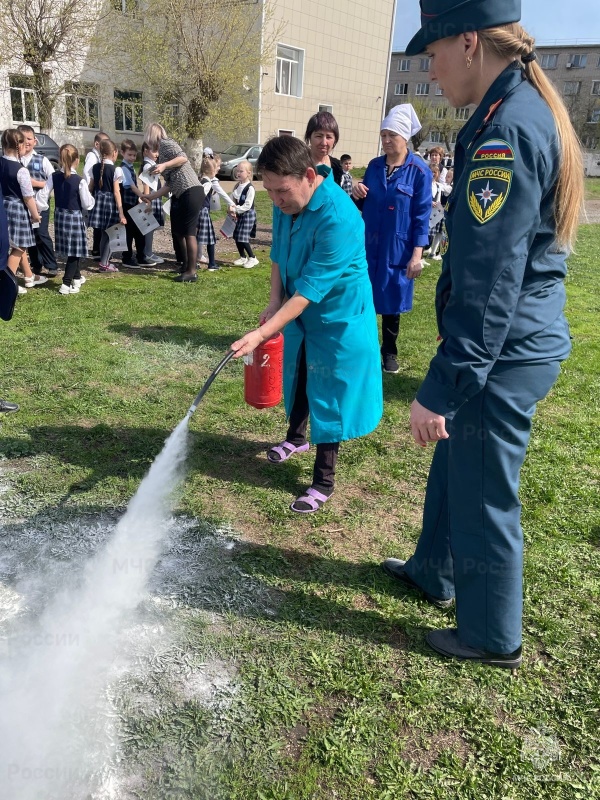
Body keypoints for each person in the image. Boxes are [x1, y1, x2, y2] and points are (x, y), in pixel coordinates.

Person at [381, 0, 584, 671]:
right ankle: (433, 572)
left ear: (469, 43)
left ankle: (494, 636)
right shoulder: (507, 110)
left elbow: (490, 284)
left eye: (432, 55)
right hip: (512, 340)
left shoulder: (508, 130)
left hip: (504, 350)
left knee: (486, 491)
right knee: (455, 466)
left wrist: (442, 387)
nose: (430, 72)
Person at [231, 135, 383, 513]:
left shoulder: (340, 217)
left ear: (309, 176)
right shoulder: (285, 205)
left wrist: (261, 333)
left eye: (282, 191)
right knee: (298, 370)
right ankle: (296, 437)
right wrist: (272, 302)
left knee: (328, 391)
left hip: (337, 318)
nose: (277, 200)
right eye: (269, 192)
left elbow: (309, 292)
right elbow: (280, 259)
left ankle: (323, 480)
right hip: (300, 312)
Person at [352, 104, 431, 375]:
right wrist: (356, 190)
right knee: (363, 295)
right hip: (368, 244)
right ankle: (364, 348)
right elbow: (362, 203)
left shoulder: (419, 171)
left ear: (404, 137)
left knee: (391, 301)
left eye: (391, 136)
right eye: (383, 135)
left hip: (397, 247)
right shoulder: (374, 167)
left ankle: (389, 351)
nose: (386, 141)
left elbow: (422, 216)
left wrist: (417, 255)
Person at [141, 123, 204, 283]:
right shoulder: (161, 154)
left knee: (189, 232)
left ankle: (191, 271)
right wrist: (151, 196)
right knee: (179, 232)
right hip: (181, 193)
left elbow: (183, 158)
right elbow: (169, 184)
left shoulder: (166, 143)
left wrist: (164, 165)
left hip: (191, 190)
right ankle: (185, 265)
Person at [37, 144, 95, 295]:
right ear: (76, 160)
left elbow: (42, 196)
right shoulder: (79, 181)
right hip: (74, 217)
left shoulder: (53, 176)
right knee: (74, 252)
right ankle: (66, 283)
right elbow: (87, 204)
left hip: (60, 216)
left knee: (70, 249)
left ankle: (77, 277)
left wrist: (40, 209)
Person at [0, 129, 44, 295]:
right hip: (17, 208)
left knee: (8, 245)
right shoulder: (21, 170)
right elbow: (28, 197)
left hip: (2, 205)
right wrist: (35, 214)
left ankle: (28, 276)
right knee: (19, 246)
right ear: (17, 145)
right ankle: (8, 285)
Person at [17, 125, 58, 278]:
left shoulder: (42, 160)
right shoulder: (16, 160)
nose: (26, 142)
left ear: (34, 141)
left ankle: (51, 265)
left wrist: (36, 183)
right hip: (22, 205)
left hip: (40, 204)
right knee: (29, 236)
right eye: (23, 139)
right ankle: (36, 264)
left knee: (41, 234)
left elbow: (53, 180)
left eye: (29, 138)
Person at [88, 139, 127, 272]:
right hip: (110, 204)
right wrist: (121, 212)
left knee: (104, 233)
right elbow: (116, 192)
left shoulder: (95, 167)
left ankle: (104, 260)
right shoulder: (116, 169)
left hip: (98, 202)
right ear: (114, 153)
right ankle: (104, 264)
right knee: (112, 233)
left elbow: (90, 187)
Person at [119, 139, 156, 268]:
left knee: (139, 231)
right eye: (129, 155)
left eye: (134, 155)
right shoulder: (122, 168)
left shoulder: (130, 168)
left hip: (133, 203)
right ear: (122, 153)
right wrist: (143, 196)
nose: (132, 158)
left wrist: (140, 198)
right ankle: (127, 257)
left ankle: (141, 256)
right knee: (129, 232)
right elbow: (131, 186)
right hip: (126, 204)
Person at [197, 155, 232, 272]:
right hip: (203, 212)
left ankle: (195, 262)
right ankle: (211, 263)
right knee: (210, 238)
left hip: (198, 212)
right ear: (212, 170)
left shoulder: (200, 179)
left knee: (196, 238)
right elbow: (200, 196)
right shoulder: (207, 183)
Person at [83, 131, 109, 258]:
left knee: (99, 223)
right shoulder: (92, 156)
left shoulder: (98, 157)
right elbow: (88, 174)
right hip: (92, 192)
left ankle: (97, 248)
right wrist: (89, 191)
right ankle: (96, 249)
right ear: (97, 144)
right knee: (96, 223)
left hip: (95, 191)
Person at [229, 161, 259, 268]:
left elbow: (247, 205)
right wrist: (231, 208)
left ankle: (253, 258)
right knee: (236, 236)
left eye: (241, 171)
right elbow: (232, 199)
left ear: (249, 173)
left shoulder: (250, 188)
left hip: (248, 215)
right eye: (237, 171)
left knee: (242, 237)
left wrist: (236, 209)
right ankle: (243, 257)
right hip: (240, 214)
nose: (238, 173)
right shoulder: (237, 186)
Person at [140, 141, 165, 264]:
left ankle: (148, 252)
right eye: (154, 151)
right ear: (145, 151)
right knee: (149, 227)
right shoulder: (147, 166)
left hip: (155, 197)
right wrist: (148, 201)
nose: (157, 154)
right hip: (151, 198)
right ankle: (147, 253)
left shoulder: (152, 164)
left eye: (157, 151)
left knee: (152, 227)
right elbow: (146, 184)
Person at [304, 111, 343, 185]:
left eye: (329, 137)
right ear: (309, 137)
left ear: (335, 139)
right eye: (318, 136)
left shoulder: (337, 166)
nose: (324, 143)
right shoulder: (299, 164)